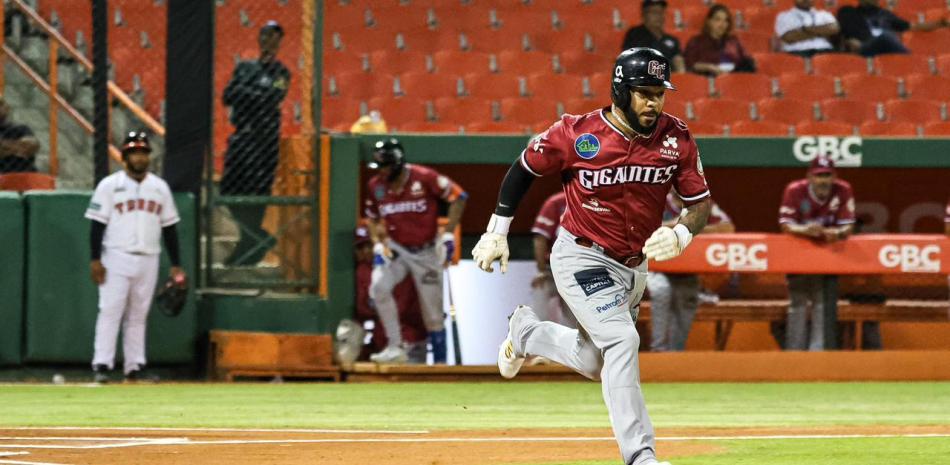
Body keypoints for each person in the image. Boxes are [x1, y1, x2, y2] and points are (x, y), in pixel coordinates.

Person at [472, 47, 711, 465]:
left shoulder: (676, 136)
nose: (654, 102)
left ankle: (526, 334)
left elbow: (700, 202)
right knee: (622, 339)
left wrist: (682, 232)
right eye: (644, 92)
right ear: (620, 90)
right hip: (582, 255)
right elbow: (524, 168)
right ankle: (641, 456)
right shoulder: (576, 133)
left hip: (633, 265)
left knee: (592, 359)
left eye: (660, 92)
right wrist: (497, 231)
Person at [85, 131, 185, 383]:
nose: (139, 157)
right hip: (115, 256)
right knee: (110, 310)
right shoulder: (109, 185)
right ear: (124, 157)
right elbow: (97, 225)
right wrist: (95, 259)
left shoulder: (159, 188)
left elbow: (169, 228)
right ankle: (102, 364)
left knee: (139, 314)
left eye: (143, 152)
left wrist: (175, 264)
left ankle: (135, 366)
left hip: (149, 257)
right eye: (134, 153)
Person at [364, 138, 467, 364]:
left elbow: (458, 196)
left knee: (432, 313)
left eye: (384, 166)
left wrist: (449, 232)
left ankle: (440, 363)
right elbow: (372, 218)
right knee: (378, 287)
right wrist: (377, 243)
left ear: (396, 164)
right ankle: (395, 346)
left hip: (426, 250)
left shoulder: (424, 177)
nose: (380, 172)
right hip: (397, 248)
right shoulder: (376, 186)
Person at [220, 20, 291, 266]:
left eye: (274, 36)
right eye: (266, 34)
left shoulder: (281, 72)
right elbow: (227, 96)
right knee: (228, 189)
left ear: (279, 42)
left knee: (257, 192)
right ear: (259, 38)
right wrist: (254, 94)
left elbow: (273, 98)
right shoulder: (244, 67)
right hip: (242, 135)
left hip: (264, 140)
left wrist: (245, 92)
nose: (269, 40)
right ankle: (256, 237)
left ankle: (248, 242)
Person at [778, 156, 855, 351]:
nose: (823, 180)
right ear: (810, 177)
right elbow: (785, 224)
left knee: (823, 303)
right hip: (799, 255)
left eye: (827, 175)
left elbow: (847, 226)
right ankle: (794, 353)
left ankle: (818, 353)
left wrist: (835, 233)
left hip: (827, 256)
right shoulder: (795, 190)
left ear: (834, 176)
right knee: (798, 303)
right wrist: (806, 230)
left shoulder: (843, 189)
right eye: (819, 175)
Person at [648, 194, 734, 352]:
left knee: (686, 296)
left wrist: (687, 228)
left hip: (687, 270)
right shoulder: (654, 198)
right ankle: (658, 351)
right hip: (655, 267)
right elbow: (642, 228)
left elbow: (727, 227)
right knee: (662, 290)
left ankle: (676, 355)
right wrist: (672, 225)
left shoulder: (700, 203)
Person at [353, 227, 428, 363]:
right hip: (382, 341)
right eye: (360, 247)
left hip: (410, 340)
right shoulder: (364, 270)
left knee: (411, 382)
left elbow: (404, 308)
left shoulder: (401, 266)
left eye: (369, 245)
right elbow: (362, 309)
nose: (365, 251)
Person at [837, 0, 950, 56]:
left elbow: (913, 26)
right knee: (886, 37)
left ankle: (910, 60)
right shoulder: (850, 12)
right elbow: (842, 33)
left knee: (888, 37)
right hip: (863, 48)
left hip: (885, 48)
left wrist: (941, 23)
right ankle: (909, 59)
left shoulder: (885, 14)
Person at [530, 191, 575, 328]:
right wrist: (541, 270)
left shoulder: (593, 202)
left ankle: (573, 348)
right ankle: (533, 345)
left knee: (575, 323)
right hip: (551, 269)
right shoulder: (556, 202)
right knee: (537, 314)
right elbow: (540, 239)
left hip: (577, 272)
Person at [683, 4, 755, 77]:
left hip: (733, 79)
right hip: (707, 79)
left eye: (726, 20)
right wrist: (709, 67)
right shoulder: (696, 41)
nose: (722, 24)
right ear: (709, 21)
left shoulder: (734, 41)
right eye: (718, 19)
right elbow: (689, 63)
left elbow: (747, 61)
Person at [621, 0, 686, 73]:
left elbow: (678, 60)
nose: (659, 16)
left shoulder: (672, 40)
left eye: (661, 12)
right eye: (654, 12)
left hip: (669, 79)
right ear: (644, 15)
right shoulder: (635, 34)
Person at [774, 0, 840, 56]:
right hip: (796, 52)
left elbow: (834, 29)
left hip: (824, 50)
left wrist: (804, 29)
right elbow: (789, 37)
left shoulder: (824, 14)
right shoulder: (784, 16)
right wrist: (821, 32)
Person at [0, 97, 40, 173]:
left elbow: (31, 146)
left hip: (24, 176)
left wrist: (5, 147)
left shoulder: (21, 128)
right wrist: (17, 147)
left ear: (7, 108)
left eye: (0, 104)